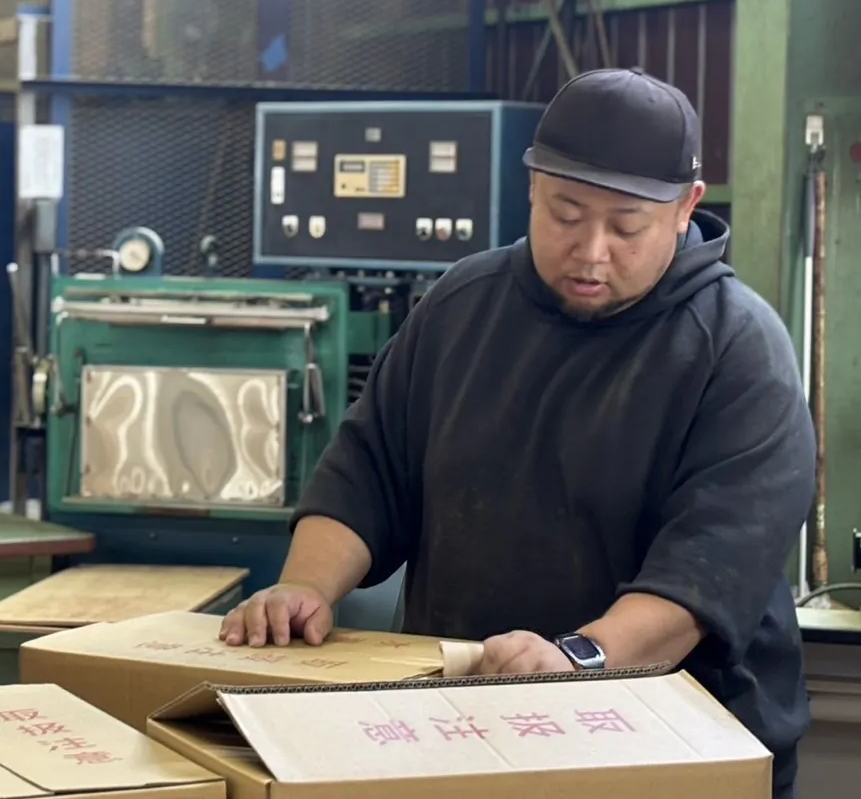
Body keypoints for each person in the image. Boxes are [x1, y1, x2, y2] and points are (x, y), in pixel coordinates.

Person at [219, 68, 816, 799]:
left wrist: (578, 659)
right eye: (566, 214)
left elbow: (704, 577)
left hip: (673, 752)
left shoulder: (736, 349)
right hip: (460, 734)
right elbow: (367, 474)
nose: (591, 250)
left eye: (626, 226)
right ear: (532, 187)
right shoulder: (460, 308)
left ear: (685, 207)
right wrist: (304, 587)